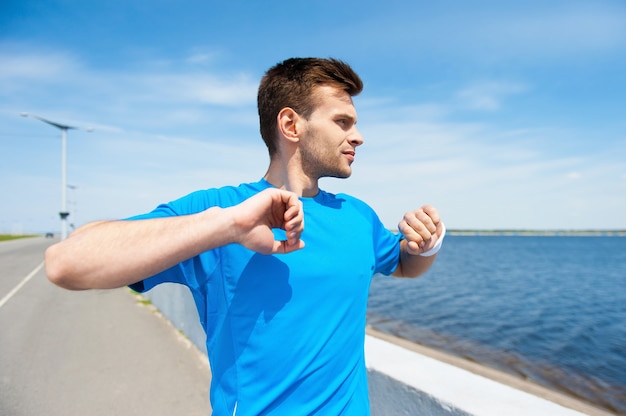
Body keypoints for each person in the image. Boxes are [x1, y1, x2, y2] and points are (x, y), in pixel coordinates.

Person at [45, 57, 445, 415]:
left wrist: (427, 243)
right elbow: (66, 263)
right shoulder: (221, 208)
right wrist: (226, 226)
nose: (358, 136)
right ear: (290, 125)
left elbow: (407, 266)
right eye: (343, 121)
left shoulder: (358, 216)